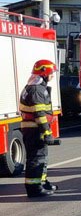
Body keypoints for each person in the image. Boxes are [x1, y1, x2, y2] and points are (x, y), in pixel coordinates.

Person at [19, 59, 59, 198]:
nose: (52, 75)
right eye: (51, 73)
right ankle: (34, 188)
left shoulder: (36, 86)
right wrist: (46, 132)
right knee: (36, 159)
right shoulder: (37, 89)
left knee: (41, 157)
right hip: (34, 130)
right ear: (45, 72)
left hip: (34, 129)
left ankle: (41, 182)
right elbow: (39, 113)